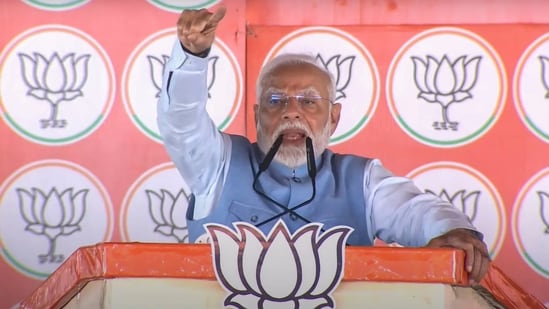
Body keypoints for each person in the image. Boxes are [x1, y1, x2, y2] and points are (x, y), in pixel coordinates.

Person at [156, 6, 490, 284]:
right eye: (275, 100)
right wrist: (191, 57)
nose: (291, 112)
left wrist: (456, 231)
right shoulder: (218, 164)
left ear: (333, 118)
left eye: (309, 102)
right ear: (257, 116)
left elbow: (417, 211)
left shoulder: (362, 180)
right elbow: (180, 122)